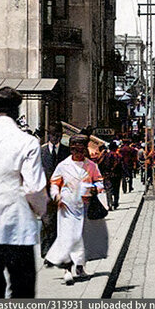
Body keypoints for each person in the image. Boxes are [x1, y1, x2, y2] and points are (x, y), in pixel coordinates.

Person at [0, 87, 47, 298]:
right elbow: (33, 187)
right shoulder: (26, 142)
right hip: (17, 221)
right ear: (17, 110)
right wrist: (42, 212)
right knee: (22, 285)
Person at [45, 135, 105, 285]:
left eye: (80, 150)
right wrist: (56, 195)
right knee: (68, 238)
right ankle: (67, 270)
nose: (78, 154)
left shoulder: (91, 166)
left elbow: (99, 181)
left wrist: (95, 190)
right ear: (71, 151)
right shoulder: (63, 166)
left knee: (82, 238)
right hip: (66, 206)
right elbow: (54, 183)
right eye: (75, 150)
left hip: (84, 207)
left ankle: (80, 268)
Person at [40, 122, 70, 259]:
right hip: (45, 193)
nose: (55, 138)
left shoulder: (67, 151)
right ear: (48, 135)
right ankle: (46, 252)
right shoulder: (41, 151)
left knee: (61, 224)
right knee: (47, 222)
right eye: (53, 135)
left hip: (62, 193)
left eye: (58, 135)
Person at [99, 143, 123, 211]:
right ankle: (115, 203)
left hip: (107, 175)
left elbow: (100, 164)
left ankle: (110, 204)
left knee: (108, 190)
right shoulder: (118, 156)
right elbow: (121, 166)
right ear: (115, 148)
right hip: (117, 175)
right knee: (116, 189)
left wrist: (102, 173)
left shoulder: (105, 156)